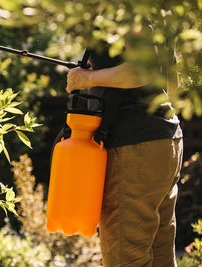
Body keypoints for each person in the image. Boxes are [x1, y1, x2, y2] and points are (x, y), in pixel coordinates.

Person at [66, 43, 183, 266]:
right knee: (161, 256)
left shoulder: (121, 10)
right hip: (165, 140)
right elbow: (173, 85)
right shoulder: (159, 12)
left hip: (133, 147)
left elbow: (142, 70)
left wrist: (88, 79)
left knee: (125, 257)